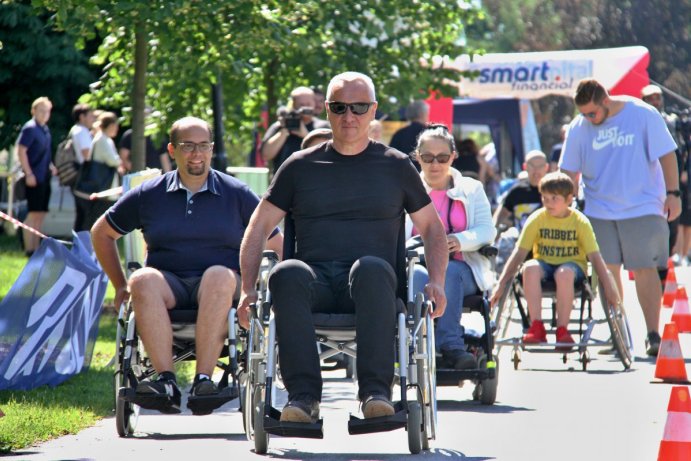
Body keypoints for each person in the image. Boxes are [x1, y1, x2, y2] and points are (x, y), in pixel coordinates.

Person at [238, 72, 448, 424]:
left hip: (372, 286)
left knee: (370, 267)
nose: (349, 116)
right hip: (313, 285)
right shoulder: (299, 166)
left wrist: (437, 280)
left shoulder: (396, 166)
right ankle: (302, 399)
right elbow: (258, 226)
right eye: (339, 107)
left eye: (358, 107)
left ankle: (375, 394)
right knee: (285, 272)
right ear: (327, 110)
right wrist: (246, 289)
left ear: (373, 111)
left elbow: (431, 228)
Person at [91, 116, 283, 415]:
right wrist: (118, 284)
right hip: (169, 283)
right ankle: (165, 382)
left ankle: (203, 381)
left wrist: (259, 288)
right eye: (188, 146)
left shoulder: (236, 193)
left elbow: (276, 245)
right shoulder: (149, 194)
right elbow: (101, 233)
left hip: (221, 286)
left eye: (203, 145)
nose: (197, 153)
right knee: (141, 279)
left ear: (212, 149)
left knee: (218, 275)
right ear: (172, 150)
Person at [559, 78, 680, 357]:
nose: (588, 118)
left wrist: (673, 193)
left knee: (645, 269)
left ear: (606, 101)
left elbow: (667, 155)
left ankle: (652, 333)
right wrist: (564, 205)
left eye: (592, 113)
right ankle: (619, 334)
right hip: (599, 208)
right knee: (607, 271)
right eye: (583, 113)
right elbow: (568, 172)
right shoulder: (580, 127)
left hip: (642, 204)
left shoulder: (642, 114)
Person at [490, 172, 619, 348]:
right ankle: (536, 326)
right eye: (545, 198)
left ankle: (562, 329)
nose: (548, 203)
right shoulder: (537, 218)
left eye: (554, 198)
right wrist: (501, 284)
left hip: (572, 268)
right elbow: (519, 254)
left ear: (568, 199)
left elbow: (595, 257)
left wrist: (609, 286)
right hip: (545, 266)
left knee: (564, 273)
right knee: (530, 267)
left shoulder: (580, 221)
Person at [409, 124, 496, 369]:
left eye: (442, 158)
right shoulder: (407, 188)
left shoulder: (471, 188)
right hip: (418, 262)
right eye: (427, 157)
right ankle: (414, 344)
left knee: (450, 272)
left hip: (462, 266)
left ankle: (451, 346)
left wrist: (460, 240)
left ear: (453, 157)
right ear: (417, 156)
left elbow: (487, 230)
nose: (434, 164)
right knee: (416, 275)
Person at [641, 84, 688, 268]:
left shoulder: (672, 121)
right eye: (650, 98)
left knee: (672, 219)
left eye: (657, 97)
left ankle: (666, 257)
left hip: (671, 177)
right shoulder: (640, 121)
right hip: (649, 179)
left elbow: (680, 149)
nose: (654, 101)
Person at [16, 97, 55, 256]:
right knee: (32, 214)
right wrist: (29, 173)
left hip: (45, 177)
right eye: (41, 111)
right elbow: (21, 151)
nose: (45, 114)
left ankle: (36, 248)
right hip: (34, 178)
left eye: (47, 111)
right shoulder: (29, 128)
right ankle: (29, 249)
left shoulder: (45, 129)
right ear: (33, 111)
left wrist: (51, 166)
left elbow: (45, 153)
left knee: (41, 214)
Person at [261, 86, 329, 173]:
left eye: (308, 104)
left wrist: (305, 135)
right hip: (284, 181)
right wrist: (284, 130)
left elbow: (325, 155)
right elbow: (266, 155)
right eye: (301, 105)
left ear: (313, 104)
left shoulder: (322, 126)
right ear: (293, 105)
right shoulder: (279, 126)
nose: (304, 108)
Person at [75, 112, 124, 231]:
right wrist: (120, 163)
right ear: (111, 125)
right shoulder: (102, 139)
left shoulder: (105, 138)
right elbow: (114, 161)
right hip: (101, 189)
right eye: (115, 125)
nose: (117, 129)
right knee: (95, 222)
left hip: (103, 189)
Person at [493, 150, 549, 231]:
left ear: (547, 167)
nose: (536, 171)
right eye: (532, 166)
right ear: (525, 167)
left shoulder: (554, 191)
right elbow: (500, 214)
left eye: (540, 166)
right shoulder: (517, 191)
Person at [69, 103, 96, 232]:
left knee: (81, 215)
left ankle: (79, 248)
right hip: (83, 176)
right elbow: (87, 155)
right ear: (82, 117)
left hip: (78, 175)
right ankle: (83, 248)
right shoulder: (81, 131)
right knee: (86, 215)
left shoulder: (76, 130)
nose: (93, 119)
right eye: (91, 116)